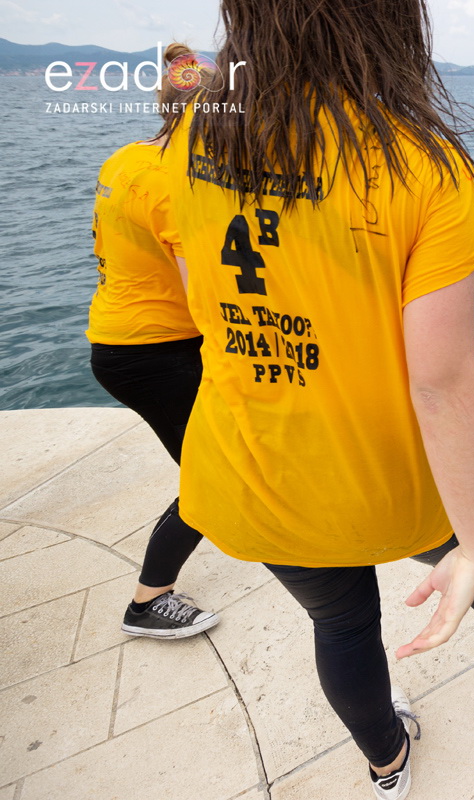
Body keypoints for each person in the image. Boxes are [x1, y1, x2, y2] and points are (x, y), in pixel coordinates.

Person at [159, 1, 474, 797]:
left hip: (252, 463)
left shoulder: (196, 133)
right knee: (463, 557)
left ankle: (387, 764)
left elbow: (201, 299)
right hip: (384, 474)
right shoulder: (421, 166)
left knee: (339, 623)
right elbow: (440, 379)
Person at [87, 42, 219, 640]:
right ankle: (148, 601)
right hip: (156, 352)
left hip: (121, 338)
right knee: (211, 475)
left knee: (213, 461)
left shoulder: (127, 160)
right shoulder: (174, 184)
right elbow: (206, 299)